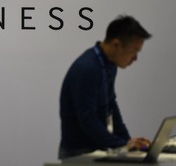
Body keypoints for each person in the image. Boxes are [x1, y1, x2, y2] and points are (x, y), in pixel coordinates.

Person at [58, 15, 152, 159]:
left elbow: (111, 106)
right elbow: (87, 119)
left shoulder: (109, 64)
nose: (135, 58)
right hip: (79, 153)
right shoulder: (88, 68)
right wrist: (121, 144)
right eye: (133, 51)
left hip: (96, 148)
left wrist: (128, 142)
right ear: (116, 45)